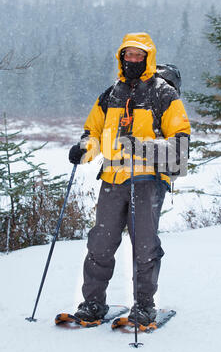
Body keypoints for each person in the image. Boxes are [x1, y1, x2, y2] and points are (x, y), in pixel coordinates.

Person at [68, 32, 190, 326]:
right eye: (128, 54)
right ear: (121, 57)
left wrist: (139, 147)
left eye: (138, 55)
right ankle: (93, 304)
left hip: (147, 180)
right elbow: (94, 132)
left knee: (145, 246)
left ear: (148, 58)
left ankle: (145, 307)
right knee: (100, 244)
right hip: (112, 179)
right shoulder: (111, 94)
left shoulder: (164, 94)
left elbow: (181, 148)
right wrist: (84, 150)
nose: (132, 59)